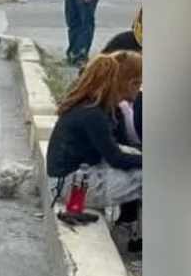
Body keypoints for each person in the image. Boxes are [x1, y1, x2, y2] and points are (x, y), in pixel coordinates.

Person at [45, 51, 143, 212]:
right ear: (131, 84)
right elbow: (116, 158)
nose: (139, 91)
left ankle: (130, 222)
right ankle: (133, 227)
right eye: (138, 85)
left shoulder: (93, 106)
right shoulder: (94, 115)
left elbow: (117, 149)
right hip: (68, 187)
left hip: (68, 179)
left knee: (133, 154)